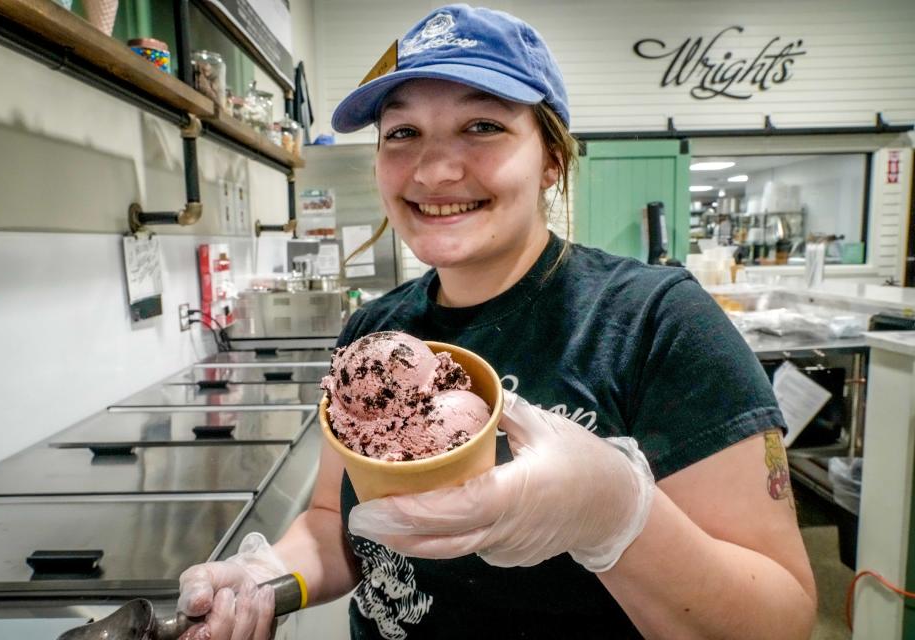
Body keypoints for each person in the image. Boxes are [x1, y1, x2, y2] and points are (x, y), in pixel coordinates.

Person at [177, 5, 817, 639]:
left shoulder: (656, 322)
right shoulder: (374, 333)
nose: (433, 170)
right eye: (401, 134)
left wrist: (619, 519)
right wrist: (264, 577)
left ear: (552, 162)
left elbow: (779, 617)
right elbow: (332, 522)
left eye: (482, 125)